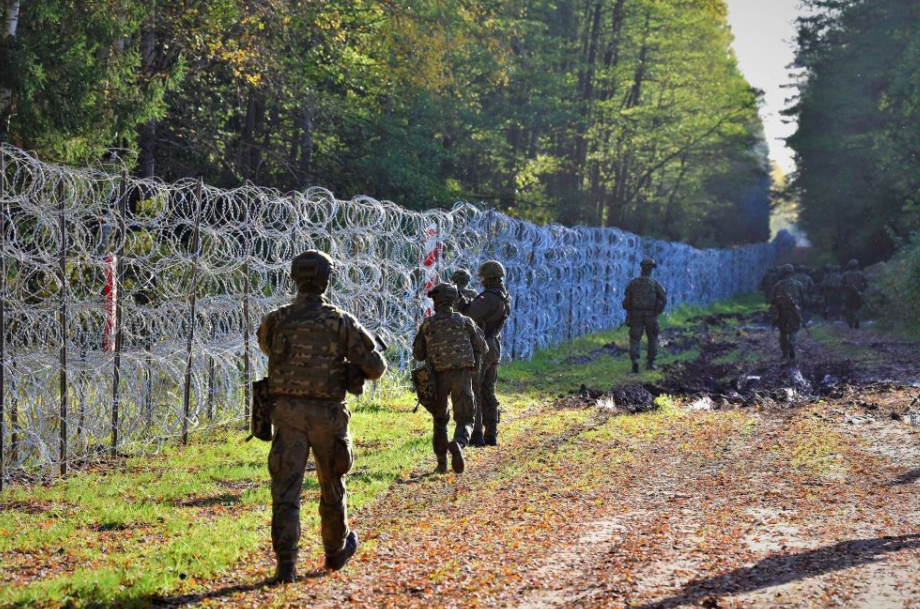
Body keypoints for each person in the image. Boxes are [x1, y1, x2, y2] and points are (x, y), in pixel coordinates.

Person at [257, 250, 387, 583]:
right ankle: (335, 550)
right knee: (331, 485)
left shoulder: (276, 319)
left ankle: (286, 565)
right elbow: (375, 368)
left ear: (294, 278)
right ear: (327, 279)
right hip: (327, 415)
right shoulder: (340, 321)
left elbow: (268, 348)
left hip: (287, 413)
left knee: (285, 490)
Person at [412, 283, 488, 473]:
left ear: (436, 301)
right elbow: (482, 346)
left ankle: (441, 464)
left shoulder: (428, 324)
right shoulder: (464, 321)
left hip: (436, 377)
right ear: (453, 300)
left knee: (440, 420)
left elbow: (418, 354)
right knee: (466, 418)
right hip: (461, 376)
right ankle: (459, 444)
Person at [464, 260, 512, 447]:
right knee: (488, 390)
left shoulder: (489, 297)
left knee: (475, 388)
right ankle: (491, 432)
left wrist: (460, 301)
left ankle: (476, 434)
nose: (482, 281)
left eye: (483, 278)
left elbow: (469, 314)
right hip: (494, 345)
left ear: (488, 278)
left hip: (483, 346)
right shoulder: (503, 296)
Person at [622, 257, 668, 374]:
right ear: (651, 269)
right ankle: (650, 364)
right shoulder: (655, 284)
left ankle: (634, 362)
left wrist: (630, 311)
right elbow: (663, 299)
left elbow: (626, 302)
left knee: (635, 338)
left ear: (641, 268)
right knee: (652, 338)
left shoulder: (633, 283)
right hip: (651, 315)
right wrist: (657, 310)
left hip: (636, 314)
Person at [769, 264, 806, 365]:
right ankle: (792, 343)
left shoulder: (777, 285)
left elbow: (772, 299)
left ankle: (785, 353)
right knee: (793, 330)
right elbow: (803, 299)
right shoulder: (798, 284)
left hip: (782, 311)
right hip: (794, 311)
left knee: (783, 332)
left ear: (782, 273)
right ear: (792, 272)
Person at [841, 259, 868, 329]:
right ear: (857, 266)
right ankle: (857, 319)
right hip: (858, 294)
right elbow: (866, 284)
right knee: (858, 308)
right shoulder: (861, 274)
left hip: (848, 294)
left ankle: (850, 324)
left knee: (849, 308)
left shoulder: (845, 274)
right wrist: (861, 290)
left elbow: (841, 284)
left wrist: (844, 290)